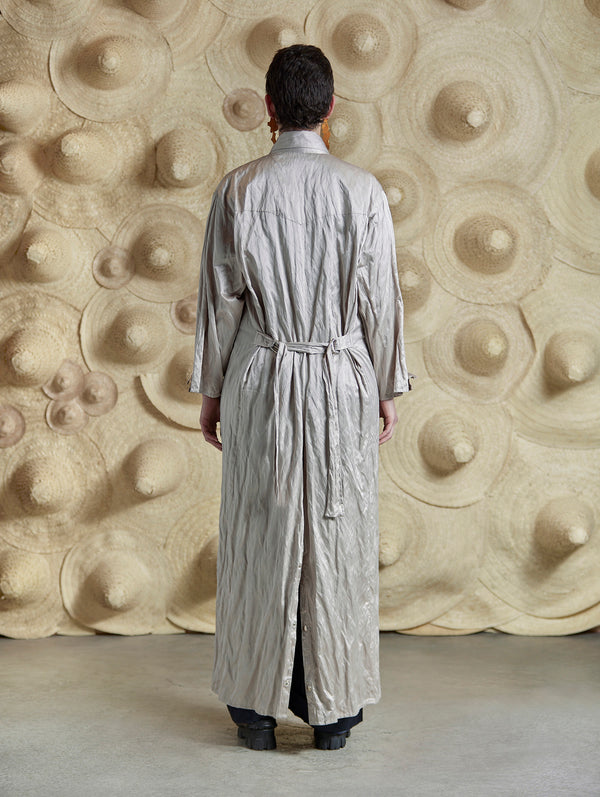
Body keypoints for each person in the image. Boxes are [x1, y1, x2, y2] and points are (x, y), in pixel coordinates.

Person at [188, 44, 413, 752]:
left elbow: (221, 302)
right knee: (338, 535)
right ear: (331, 107)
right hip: (342, 376)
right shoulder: (362, 191)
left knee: (261, 528)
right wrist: (386, 386)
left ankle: (255, 710)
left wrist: (212, 392)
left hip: (261, 375)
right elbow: (381, 298)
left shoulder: (239, 190)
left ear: (269, 107)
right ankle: (333, 712)